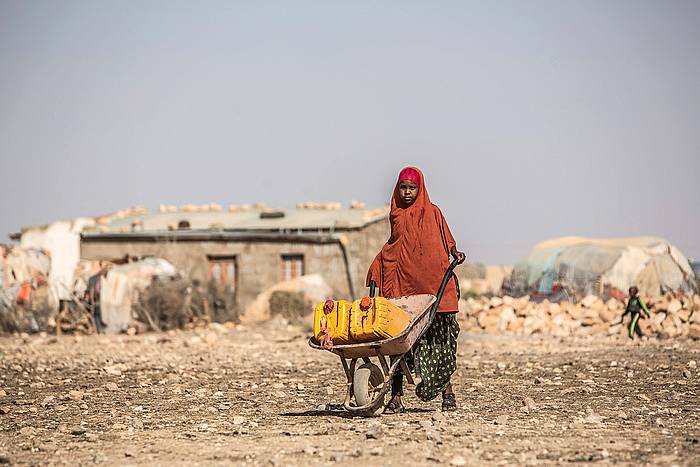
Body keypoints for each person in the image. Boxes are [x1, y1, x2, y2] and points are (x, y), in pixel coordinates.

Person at [366, 166, 466, 414]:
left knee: (441, 342)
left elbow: (447, 241)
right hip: (405, 290)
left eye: (412, 188)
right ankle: (396, 397)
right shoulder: (397, 215)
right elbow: (394, 247)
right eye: (403, 187)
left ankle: (448, 393)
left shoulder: (433, 213)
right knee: (398, 342)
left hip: (435, 289)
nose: (408, 192)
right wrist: (377, 267)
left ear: (420, 189)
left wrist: (454, 253)